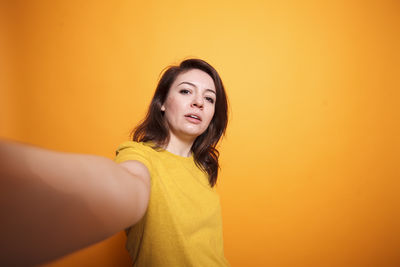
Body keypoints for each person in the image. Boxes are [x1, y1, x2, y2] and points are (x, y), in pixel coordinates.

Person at [0, 58, 230, 266]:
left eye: (209, 98)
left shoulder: (203, 168)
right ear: (162, 103)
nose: (199, 102)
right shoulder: (139, 155)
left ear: (212, 115)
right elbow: (127, 184)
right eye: (186, 91)